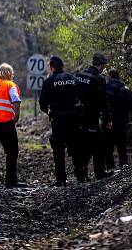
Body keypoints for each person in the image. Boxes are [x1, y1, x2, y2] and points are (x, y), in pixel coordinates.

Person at [39, 55, 81, 186]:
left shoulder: (49, 82)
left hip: (58, 119)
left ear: (51, 67)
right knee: (76, 147)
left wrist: (49, 112)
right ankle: (80, 176)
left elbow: (42, 103)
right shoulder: (74, 79)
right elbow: (82, 97)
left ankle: (61, 179)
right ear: (63, 66)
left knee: (58, 149)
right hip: (74, 118)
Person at [74, 52, 111, 181]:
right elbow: (103, 100)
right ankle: (99, 173)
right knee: (99, 144)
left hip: (78, 116)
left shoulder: (79, 75)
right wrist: (107, 118)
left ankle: (81, 171)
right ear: (101, 64)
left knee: (84, 144)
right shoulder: (99, 78)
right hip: (91, 116)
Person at [104, 68, 132, 167]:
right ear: (118, 76)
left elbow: (102, 104)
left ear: (110, 76)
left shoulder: (105, 87)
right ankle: (123, 163)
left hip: (109, 120)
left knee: (108, 144)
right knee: (122, 142)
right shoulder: (125, 88)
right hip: (122, 119)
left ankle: (110, 166)